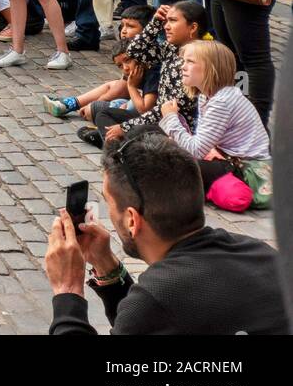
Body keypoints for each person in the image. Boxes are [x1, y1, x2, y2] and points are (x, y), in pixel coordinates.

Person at [45, 134, 289, 335]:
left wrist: (68, 290)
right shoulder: (263, 254)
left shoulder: (157, 298)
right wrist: (106, 267)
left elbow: (154, 312)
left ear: (132, 219)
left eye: (109, 202)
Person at [161, 40, 270, 194]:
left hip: (247, 170)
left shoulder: (222, 101)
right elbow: (201, 143)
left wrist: (171, 117)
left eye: (190, 62)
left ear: (212, 68)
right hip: (225, 157)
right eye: (183, 61)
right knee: (158, 143)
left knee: (173, 164)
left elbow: (196, 150)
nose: (183, 66)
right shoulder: (207, 96)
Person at [101, 1, 207, 147]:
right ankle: (118, 146)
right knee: (103, 113)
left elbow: (168, 108)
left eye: (173, 21)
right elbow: (135, 51)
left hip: (177, 128)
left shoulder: (195, 60)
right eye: (166, 21)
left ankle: (120, 151)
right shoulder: (171, 48)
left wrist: (125, 127)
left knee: (128, 132)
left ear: (193, 27)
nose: (166, 26)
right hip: (158, 120)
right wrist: (155, 22)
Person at [44, 5, 157, 123]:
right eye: (122, 26)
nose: (123, 31)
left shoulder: (150, 58)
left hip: (145, 106)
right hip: (136, 97)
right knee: (112, 86)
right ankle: (71, 103)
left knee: (101, 108)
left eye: (130, 26)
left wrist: (96, 103)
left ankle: (79, 106)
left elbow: (127, 91)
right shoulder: (130, 50)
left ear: (147, 31)